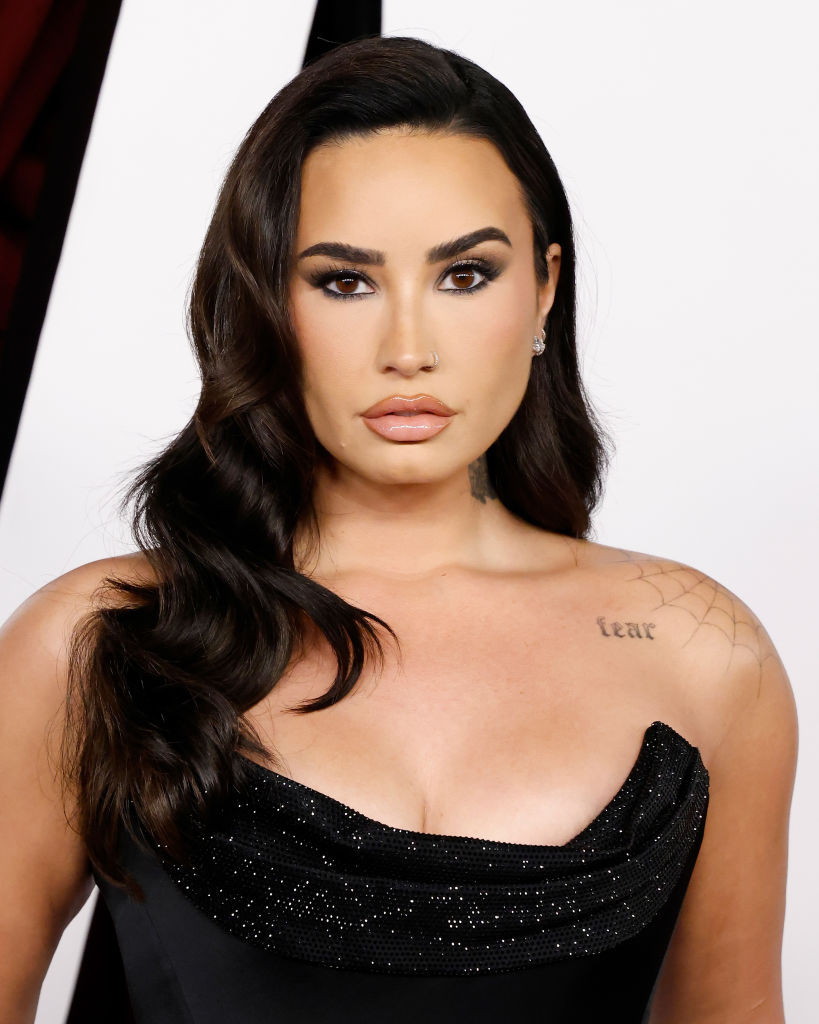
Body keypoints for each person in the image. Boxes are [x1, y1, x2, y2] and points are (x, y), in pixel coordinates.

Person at [0, 34, 798, 1024]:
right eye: (345, 280)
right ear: (266, 299)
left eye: (465, 275)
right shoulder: (96, 642)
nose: (408, 349)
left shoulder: (704, 653)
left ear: (545, 286)